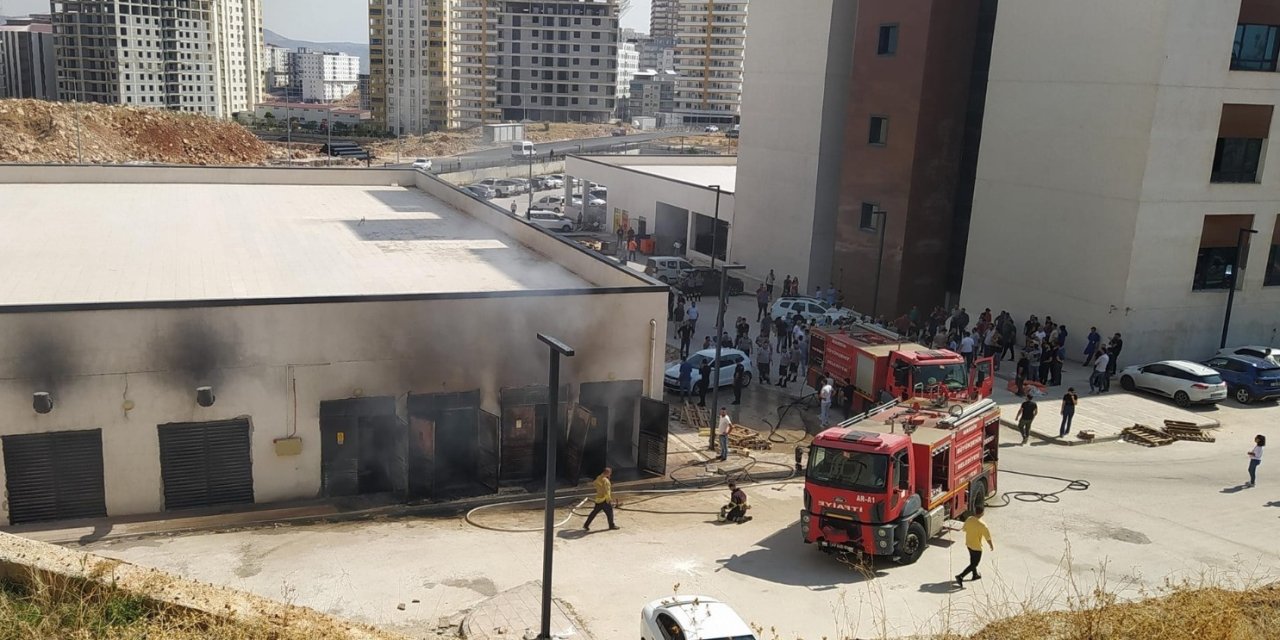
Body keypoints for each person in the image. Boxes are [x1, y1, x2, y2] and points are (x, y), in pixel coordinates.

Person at [955, 506, 993, 587]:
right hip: (977, 547)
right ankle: (960, 576)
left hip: (969, 544)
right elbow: (988, 537)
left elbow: (964, 529)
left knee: (972, 561)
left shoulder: (969, 519)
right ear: (982, 513)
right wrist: (991, 545)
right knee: (975, 563)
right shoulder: (983, 525)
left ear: (975, 512)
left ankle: (975, 575)